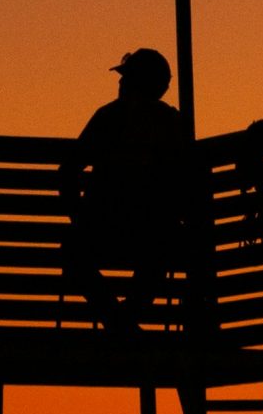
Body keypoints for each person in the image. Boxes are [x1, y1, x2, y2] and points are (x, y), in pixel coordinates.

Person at [62, 48, 191, 332]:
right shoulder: (171, 122)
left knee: (73, 254)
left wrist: (79, 217)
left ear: (135, 82)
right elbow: (185, 185)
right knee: (163, 248)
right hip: (152, 235)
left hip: (103, 230)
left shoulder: (110, 116)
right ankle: (127, 326)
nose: (119, 84)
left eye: (126, 78)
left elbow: (68, 170)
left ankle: (119, 327)